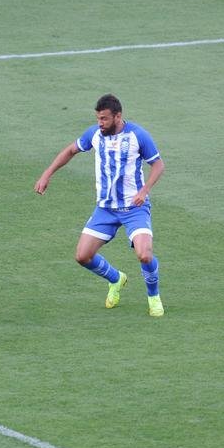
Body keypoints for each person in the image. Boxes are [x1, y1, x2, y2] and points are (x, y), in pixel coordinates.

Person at [34, 94, 166, 317]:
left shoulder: (138, 135)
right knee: (82, 256)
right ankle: (116, 279)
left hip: (134, 208)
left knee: (144, 255)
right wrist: (47, 174)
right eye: (98, 118)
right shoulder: (94, 134)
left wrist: (144, 191)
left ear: (118, 116)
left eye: (104, 119)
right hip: (105, 209)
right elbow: (70, 151)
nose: (100, 123)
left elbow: (158, 165)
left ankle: (153, 297)